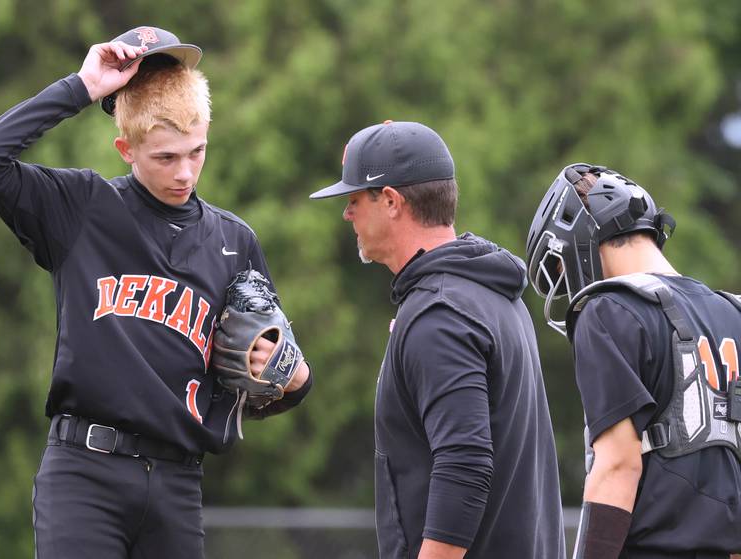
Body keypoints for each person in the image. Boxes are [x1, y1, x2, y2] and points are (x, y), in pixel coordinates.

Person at [0, 26, 311, 559]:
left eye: (197, 152)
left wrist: (294, 379)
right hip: (84, 475)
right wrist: (81, 86)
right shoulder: (80, 209)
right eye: (166, 157)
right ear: (125, 148)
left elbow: (259, 387)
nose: (185, 172)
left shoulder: (235, 241)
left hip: (177, 482)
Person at [310, 121, 565, 559]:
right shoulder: (487, 294)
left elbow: (464, 466)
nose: (347, 214)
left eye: (353, 199)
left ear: (390, 201)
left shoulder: (440, 315)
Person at [526, 163, 741, 559]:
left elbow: (618, 465)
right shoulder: (732, 311)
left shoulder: (609, 311)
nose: (567, 278)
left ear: (580, 238)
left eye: (559, 264)